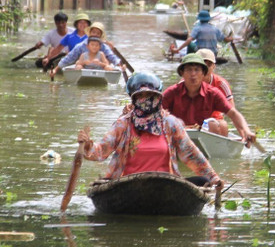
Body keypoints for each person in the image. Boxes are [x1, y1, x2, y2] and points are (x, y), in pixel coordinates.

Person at [77, 73, 221, 187]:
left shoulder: (170, 123)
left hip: (166, 185)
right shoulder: (124, 124)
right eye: (140, 97)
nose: (146, 101)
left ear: (158, 99)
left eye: (150, 97)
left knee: (202, 180)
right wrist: (88, 145)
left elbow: (191, 154)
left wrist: (213, 177)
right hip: (128, 185)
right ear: (134, 100)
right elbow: (101, 151)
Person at [161, 53, 256, 145]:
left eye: (197, 70)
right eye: (189, 70)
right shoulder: (172, 92)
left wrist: (246, 131)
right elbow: (155, 113)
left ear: (203, 73)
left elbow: (233, 113)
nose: (193, 74)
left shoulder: (213, 93)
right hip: (178, 133)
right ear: (182, 73)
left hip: (204, 133)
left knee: (220, 125)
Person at [56, 21, 120, 74]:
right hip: (85, 69)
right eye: (93, 32)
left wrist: (119, 65)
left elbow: (112, 57)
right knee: (78, 66)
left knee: (108, 67)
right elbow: (69, 58)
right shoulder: (81, 46)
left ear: (100, 35)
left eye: (98, 33)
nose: (95, 35)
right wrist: (55, 69)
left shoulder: (103, 47)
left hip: (100, 69)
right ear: (90, 33)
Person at [195, 48, 233, 135]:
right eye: (202, 65)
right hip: (191, 118)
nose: (205, 69)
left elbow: (232, 110)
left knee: (221, 125)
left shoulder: (221, 84)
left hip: (215, 118)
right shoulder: (186, 83)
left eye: (209, 65)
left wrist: (242, 131)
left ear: (213, 66)